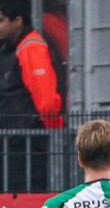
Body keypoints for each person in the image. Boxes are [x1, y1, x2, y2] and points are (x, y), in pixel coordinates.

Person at [0, 0, 62, 191]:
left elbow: (47, 103)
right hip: (15, 144)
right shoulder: (14, 48)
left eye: (1, 20)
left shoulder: (31, 48)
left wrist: (52, 134)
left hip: (25, 146)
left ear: (17, 21)